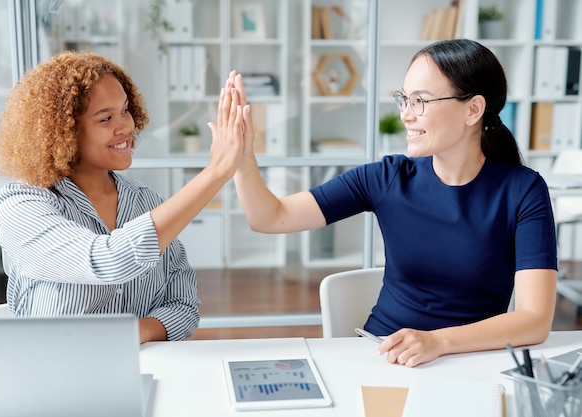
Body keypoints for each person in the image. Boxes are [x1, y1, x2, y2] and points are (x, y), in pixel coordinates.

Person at [230, 39, 558, 366]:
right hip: (384, 353)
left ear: (473, 109)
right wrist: (242, 159)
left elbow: (534, 319)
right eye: (404, 99)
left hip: (473, 360)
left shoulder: (523, 190)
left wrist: (438, 341)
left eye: (420, 101)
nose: (405, 114)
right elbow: (270, 217)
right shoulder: (388, 177)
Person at [0, 52, 245, 343]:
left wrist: (137, 332)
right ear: (64, 132)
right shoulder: (22, 204)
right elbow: (107, 260)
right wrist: (215, 173)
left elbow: (184, 307)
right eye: (106, 118)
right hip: (54, 375)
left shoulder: (148, 203)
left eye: (125, 110)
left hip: (142, 370)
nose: (125, 127)